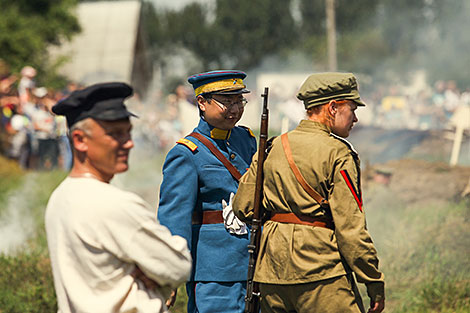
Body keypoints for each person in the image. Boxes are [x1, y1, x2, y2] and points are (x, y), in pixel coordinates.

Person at [233, 72, 385, 313]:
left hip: (272, 273)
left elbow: (243, 207)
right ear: (333, 107)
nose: (355, 118)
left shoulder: (272, 146)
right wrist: (373, 280)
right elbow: (350, 230)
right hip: (321, 271)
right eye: (352, 109)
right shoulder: (338, 153)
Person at [45, 82, 192, 313]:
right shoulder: (116, 204)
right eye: (115, 134)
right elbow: (179, 265)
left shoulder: (59, 198)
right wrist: (147, 270)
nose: (129, 142)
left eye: (128, 132)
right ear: (80, 140)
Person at [157, 70, 257, 312]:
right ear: (201, 103)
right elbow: (174, 218)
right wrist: (169, 272)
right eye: (226, 101)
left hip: (256, 264)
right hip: (215, 271)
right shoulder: (186, 153)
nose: (234, 109)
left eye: (238, 100)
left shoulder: (247, 139)